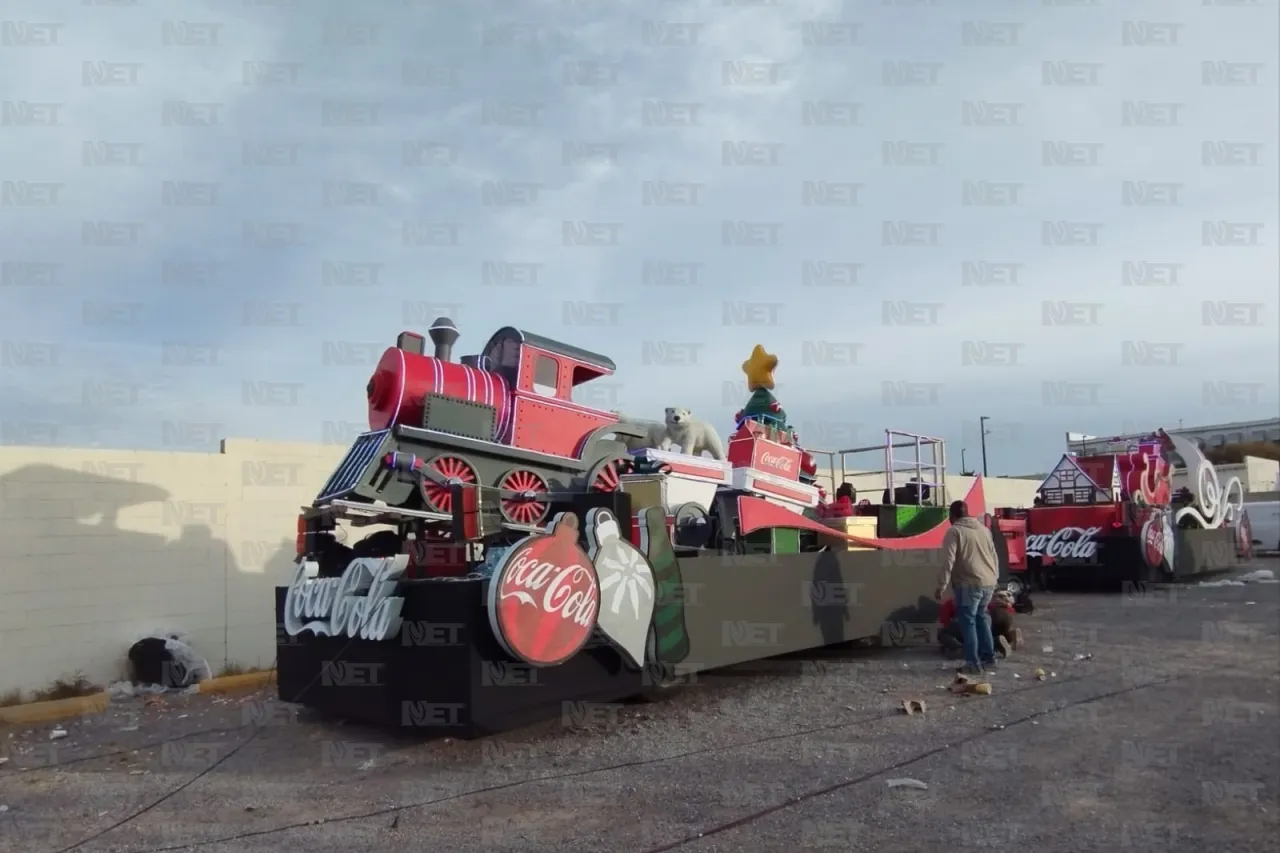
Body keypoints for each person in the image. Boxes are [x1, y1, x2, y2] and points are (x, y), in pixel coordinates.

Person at [934, 500, 1000, 675]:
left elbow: (948, 561)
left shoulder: (954, 531)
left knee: (968, 622)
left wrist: (941, 586)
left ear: (952, 516)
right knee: (982, 617)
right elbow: (994, 555)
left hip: (969, 584)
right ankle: (989, 657)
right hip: (989, 582)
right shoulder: (984, 530)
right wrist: (995, 579)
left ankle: (972, 664)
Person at [938, 590, 1021, 658]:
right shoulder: (980, 596)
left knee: (943, 634)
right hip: (988, 619)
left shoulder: (950, 603)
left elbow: (945, 623)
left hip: (967, 622)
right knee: (986, 636)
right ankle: (1003, 639)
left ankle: (962, 649)